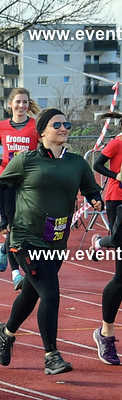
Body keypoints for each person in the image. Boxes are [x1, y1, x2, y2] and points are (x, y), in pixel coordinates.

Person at [0, 109, 102, 375]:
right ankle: (51, 355)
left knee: (32, 293)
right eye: (57, 124)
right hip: (26, 239)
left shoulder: (77, 163)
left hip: (56, 241)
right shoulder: (25, 160)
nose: (64, 128)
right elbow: (2, 186)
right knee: (50, 293)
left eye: (67, 124)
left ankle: (5, 333)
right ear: (42, 132)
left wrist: (96, 199)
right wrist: (3, 221)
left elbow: (90, 189)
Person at [0, 88, 40, 289]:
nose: (21, 106)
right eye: (18, 102)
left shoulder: (35, 127)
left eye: (25, 102)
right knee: (8, 228)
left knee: (19, 229)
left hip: (27, 185)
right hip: (4, 181)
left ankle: (10, 259)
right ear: (11, 104)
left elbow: (43, 149)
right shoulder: (1, 126)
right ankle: (15, 272)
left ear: (28, 104)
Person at [85, 112, 122, 365]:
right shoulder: (118, 141)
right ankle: (106, 333)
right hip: (117, 198)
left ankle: (100, 242)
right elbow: (97, 165)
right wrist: (116, 176)